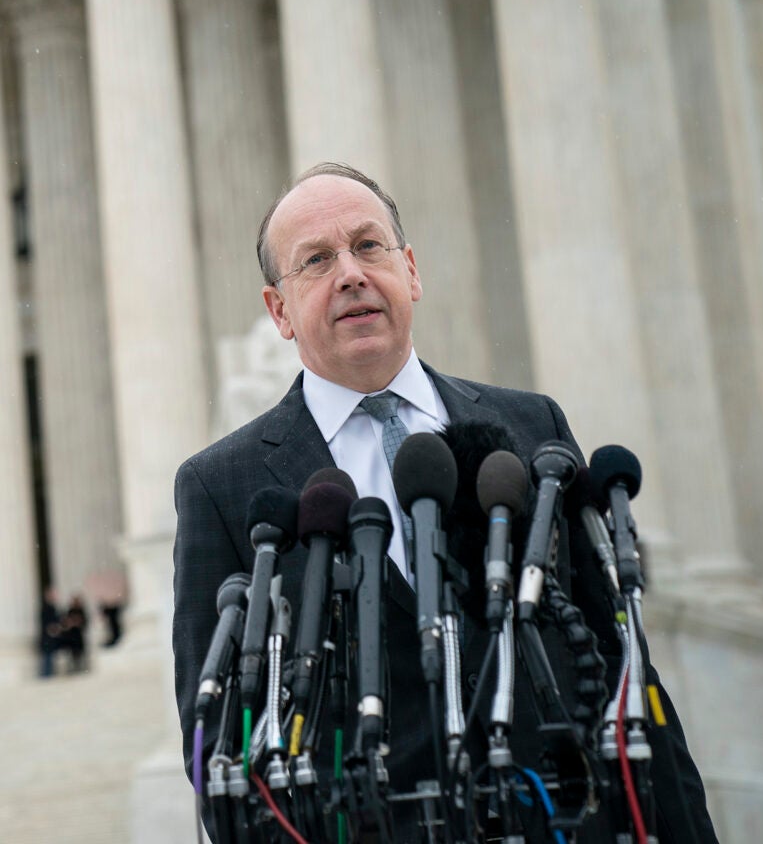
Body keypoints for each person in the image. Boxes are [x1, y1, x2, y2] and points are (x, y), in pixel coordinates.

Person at [173, 162, 718, 842]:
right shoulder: (224, 486)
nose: (350, 273)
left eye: (369, 247)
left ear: (411, 271)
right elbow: (220, 740)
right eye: (316, 261)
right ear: (279, 310)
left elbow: (621, 669)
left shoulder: (531, 430)